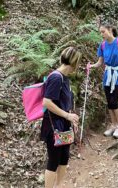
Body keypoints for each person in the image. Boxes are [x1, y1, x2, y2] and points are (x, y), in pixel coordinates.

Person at [40, 47, 82, 188]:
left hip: (64, 124)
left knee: (64, 158)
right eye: (78, 62)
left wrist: (72, 119)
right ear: (73, 62)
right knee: (54, 160)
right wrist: (67, 115)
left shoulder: (65, 79)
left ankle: (59, 185)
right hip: (54, 125)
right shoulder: (56, 77)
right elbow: (46, 102)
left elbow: (65, 102)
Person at [88, 24, 118, 138]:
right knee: (109, 101)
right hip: (107, 75)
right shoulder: (103, 45)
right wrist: (91, 66)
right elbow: (100, 62)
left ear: (110, 30)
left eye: (103, 32)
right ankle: (113, 125)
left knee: (114, 101)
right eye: (100, 32)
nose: (101, 34)